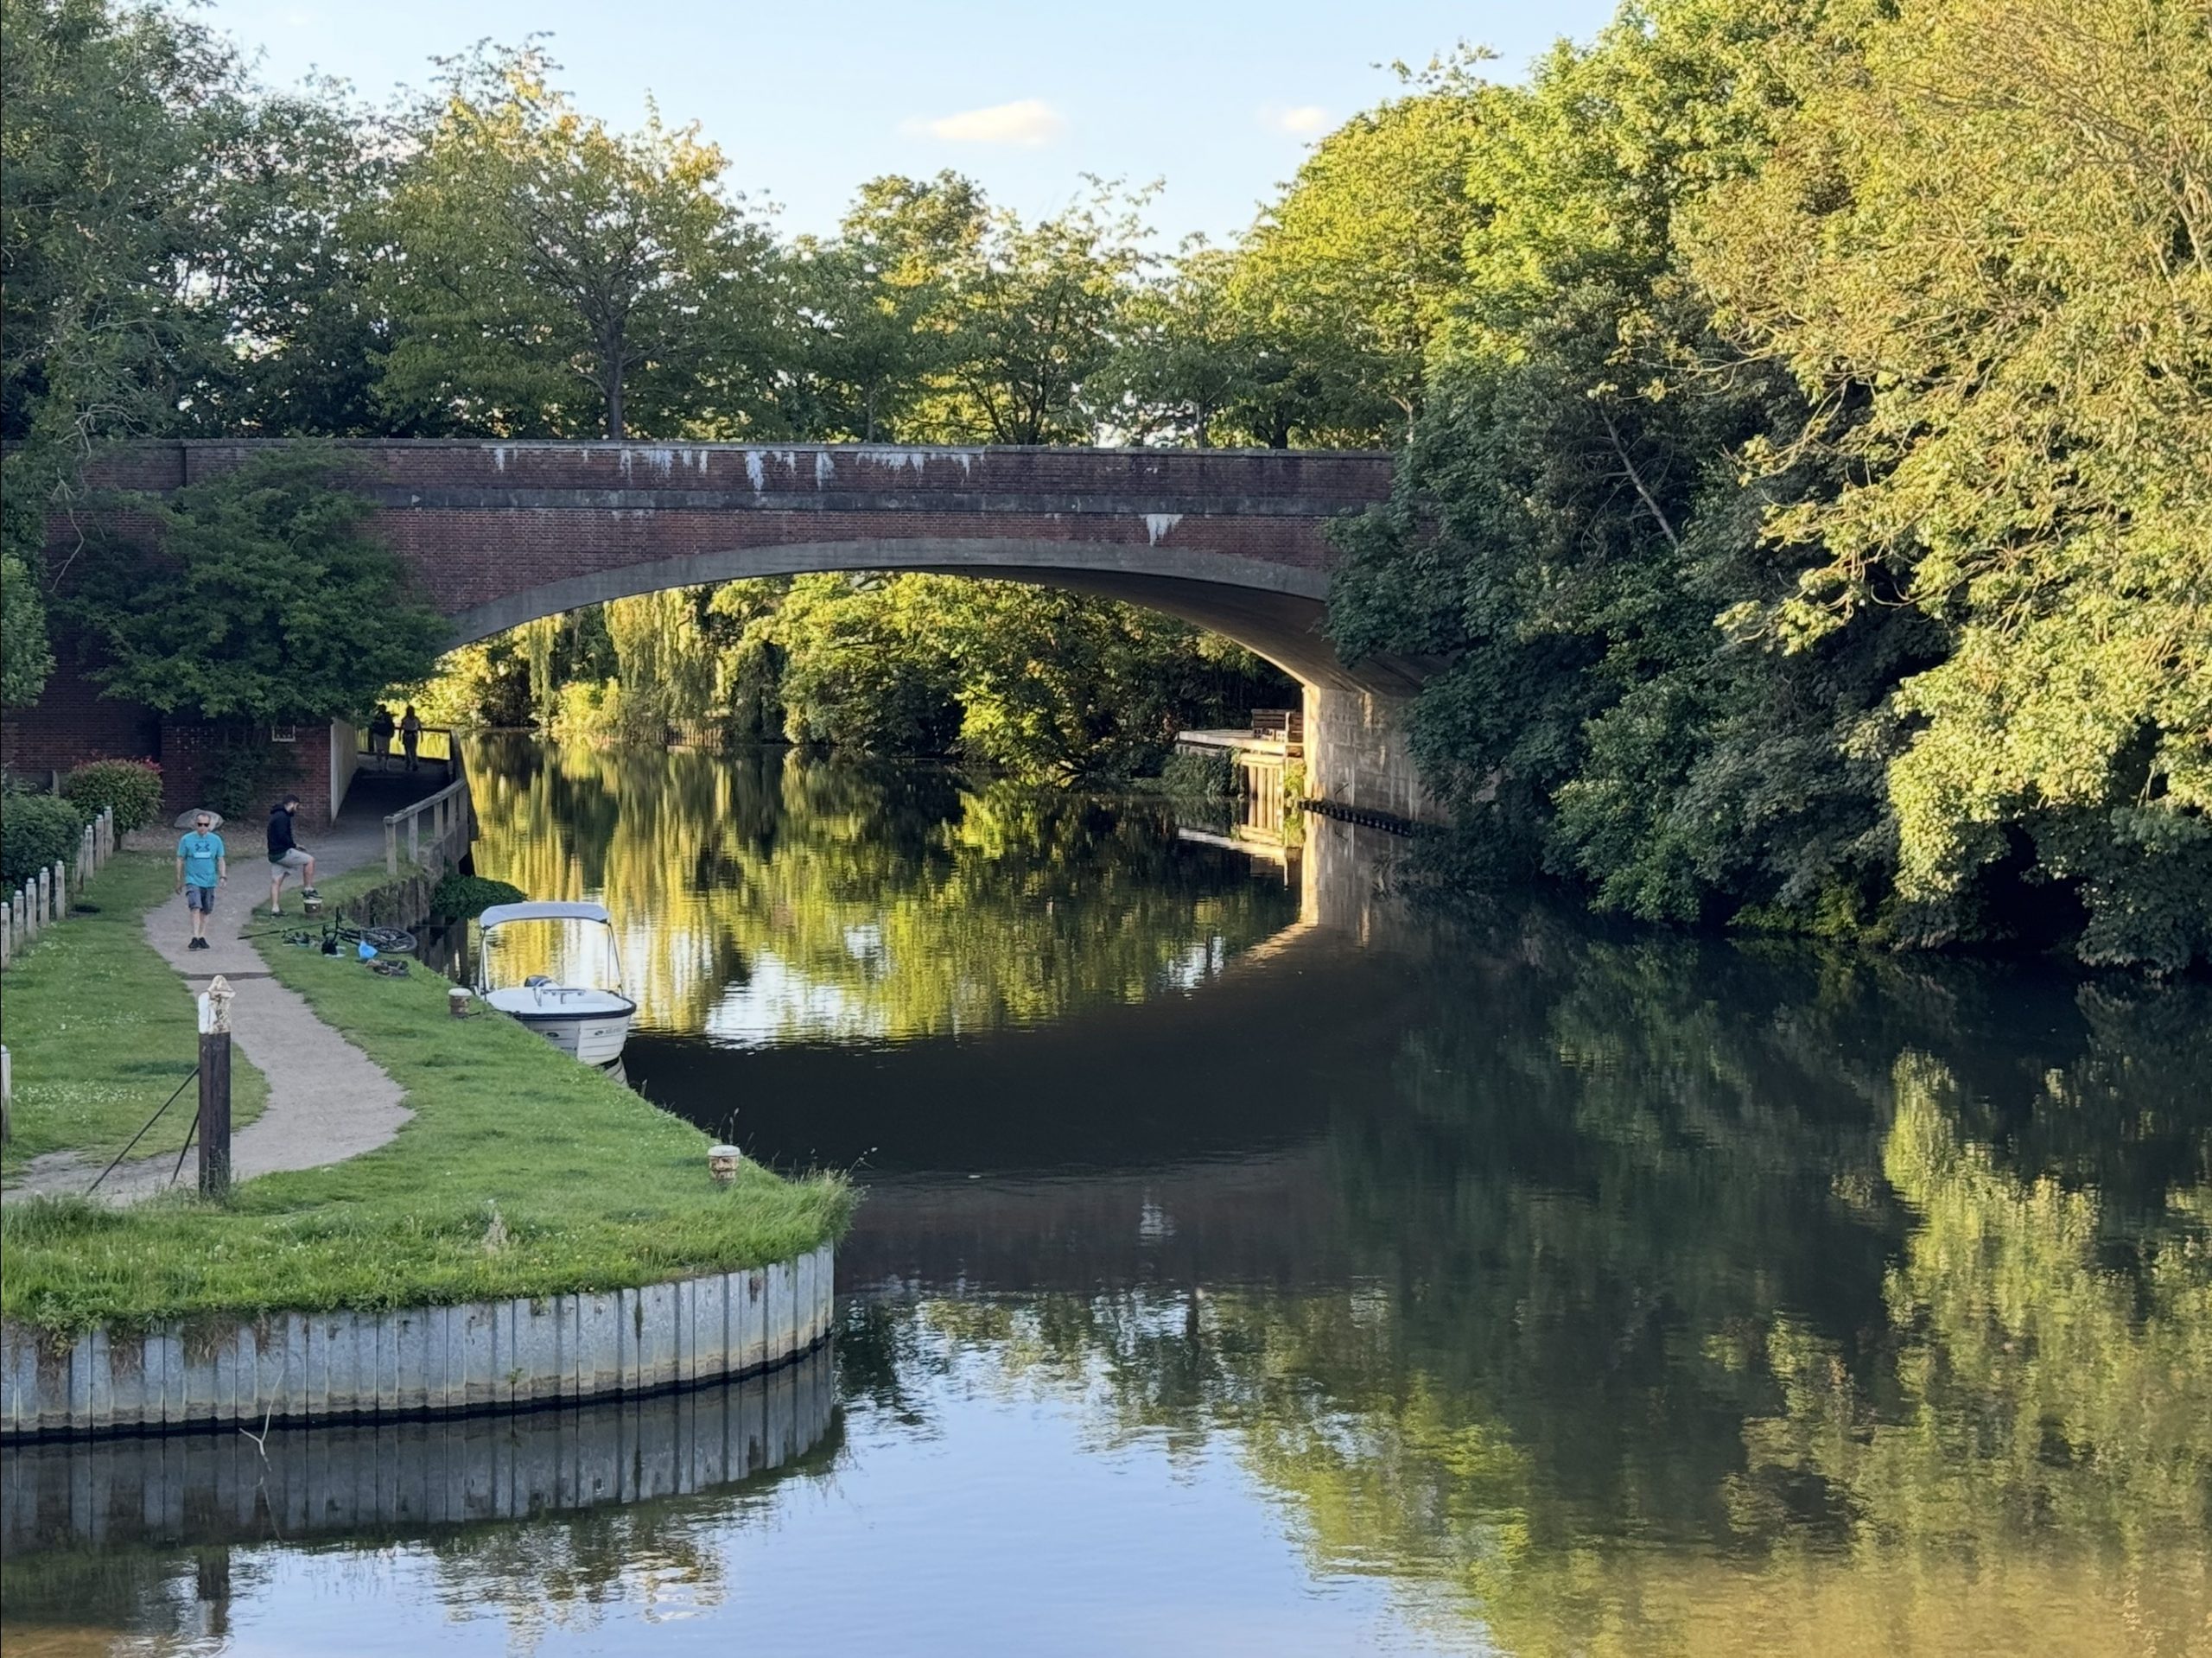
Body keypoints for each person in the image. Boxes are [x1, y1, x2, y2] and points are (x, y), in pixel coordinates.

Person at [175, 812, 226, 950]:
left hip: (209, 880)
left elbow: (220, 859)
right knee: (195, 906)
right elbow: (180, 858)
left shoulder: (216, 840)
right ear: (195, 825)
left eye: (206, 825)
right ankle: (195, 936)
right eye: (200, 824)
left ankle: (202, 936)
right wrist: (179, 879)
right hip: (193, 879)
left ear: (209, 826)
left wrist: (223, 875)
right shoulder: (187, 839)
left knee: (206, 909)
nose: (202, 827)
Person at [267, 793, 317, 916]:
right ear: (292, 804)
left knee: (276, 881)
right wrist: (292, 845)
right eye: (297, 806)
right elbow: (283, 836)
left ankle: (275, 909)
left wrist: (295, 845)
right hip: (283, 853)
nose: (297, 809)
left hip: (273, 854)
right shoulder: (282, 817)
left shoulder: (275, 815)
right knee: (310, 860)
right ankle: (308, 888)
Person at [369, 705, 397, 770]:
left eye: (383, 708)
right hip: (378, 734)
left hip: (386, 735)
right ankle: (380, 765)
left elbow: (391, 725)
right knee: (379, 749)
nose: (381, 710)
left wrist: (392, 733)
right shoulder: (376, 716)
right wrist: (372, 733)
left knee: (386, 750)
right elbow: (372, 725)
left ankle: (386, 764)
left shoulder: (388, 716)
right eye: (380, 709)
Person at [400, 704, 423, 772]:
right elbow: (401, 728)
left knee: (413, 750)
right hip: (407, 735)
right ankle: (408, 764)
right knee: (407, 751)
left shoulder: (416, 719)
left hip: (414, 735)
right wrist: (400, 736)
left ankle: (415, 764)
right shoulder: (405, 719)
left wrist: (422, 736)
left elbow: (420, 728)